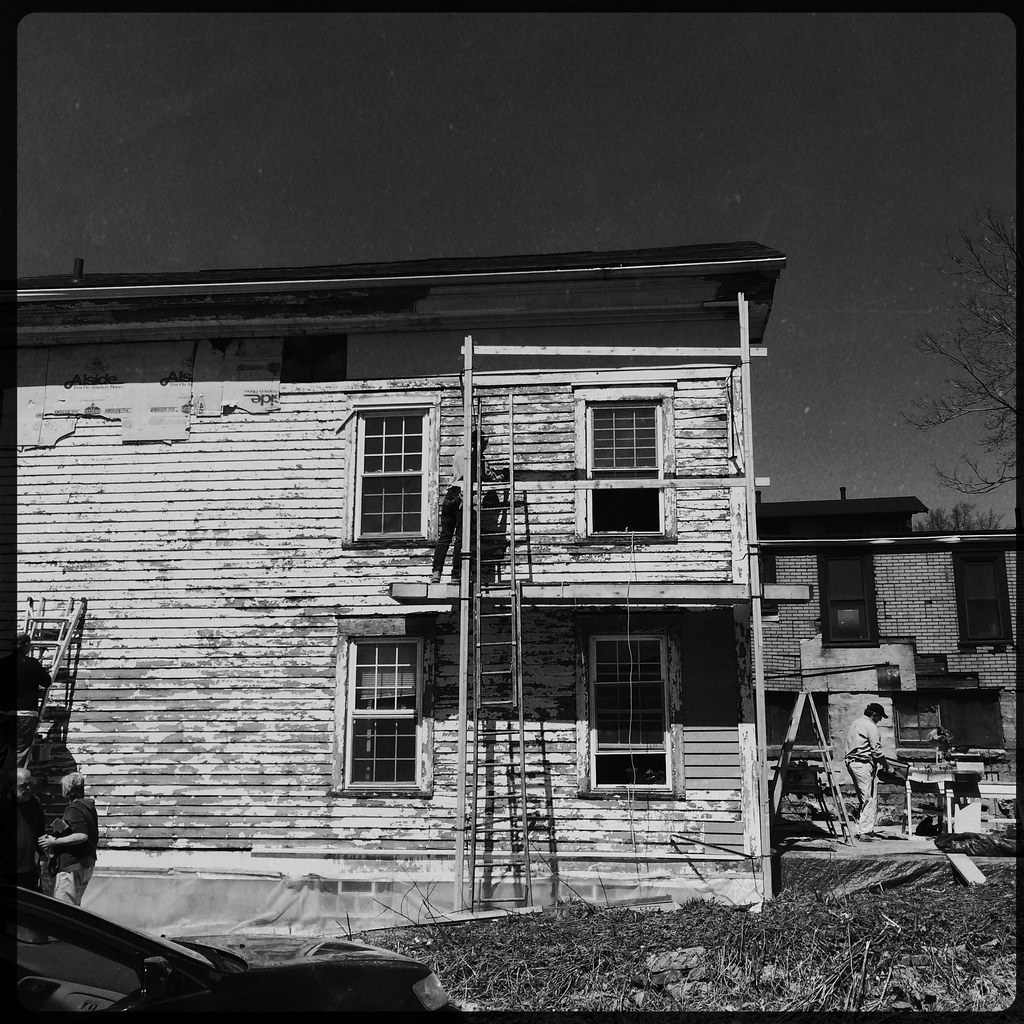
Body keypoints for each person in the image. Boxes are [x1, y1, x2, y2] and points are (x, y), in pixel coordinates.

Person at [430, 432, 505, 584]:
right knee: (460, 538)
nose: (485, 447)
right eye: (485, 444)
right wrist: (501, 476)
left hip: (450, 494)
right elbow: (488, 475)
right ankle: (456, 575)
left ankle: (436, 572)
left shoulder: (458, 453)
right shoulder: (476, 457)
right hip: (463, 496)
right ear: (479, 443)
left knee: (445, 537)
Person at [38, 771, 98, 905]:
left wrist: (54, 841)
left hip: (71, 866)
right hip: (85, 864)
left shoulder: (74, 808)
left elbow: (82, 835)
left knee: (64, 909)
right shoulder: (88, 808)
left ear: (69, 789)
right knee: (74, 905)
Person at [1, 633, 51, 774]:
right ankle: (12, 788)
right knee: (20, 753)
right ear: (26, 646)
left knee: (3, 753)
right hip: (24, 715)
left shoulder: (2, 664)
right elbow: (46, 681)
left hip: (4, 715)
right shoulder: (31, 664)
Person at [844, 702, 890, 841]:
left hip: (852, 763)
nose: (880, 720)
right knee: (869, 798)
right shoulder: (871, 726)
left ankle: (864, 828)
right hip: (862, 763)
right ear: (874, 714)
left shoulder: (856, 723)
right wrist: (887, 766)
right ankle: (865, 831)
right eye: (879, 717)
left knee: (864, 797)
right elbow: (876, 751)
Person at [1, 768, 47, 889]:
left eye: (29, 785)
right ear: (12, 786)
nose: (28, 789)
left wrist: (43, 856)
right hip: (5, 872)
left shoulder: (35, 803)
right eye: (23, 786)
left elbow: (40, 831)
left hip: (28, 871)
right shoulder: (3, 805)